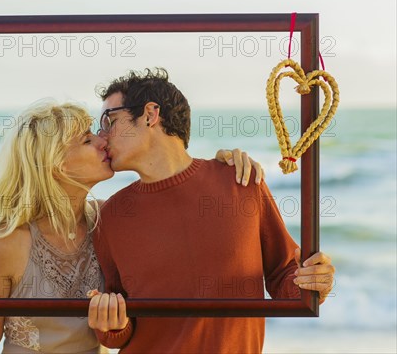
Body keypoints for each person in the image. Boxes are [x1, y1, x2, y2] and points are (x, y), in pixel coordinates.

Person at [0, 99, 264, 353]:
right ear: (55, 163)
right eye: (87, 140)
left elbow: (177, 207)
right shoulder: (6, 243)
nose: (103, 141)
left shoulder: (111, 221)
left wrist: (222, 169)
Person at [87, 68, 336, 353]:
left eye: (109, 120)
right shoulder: (112, 217)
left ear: (149, 114)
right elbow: (120, 327)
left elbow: (283, 276)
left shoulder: (240, 181)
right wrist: (110, 326)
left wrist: (313, 283)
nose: (102, 136)